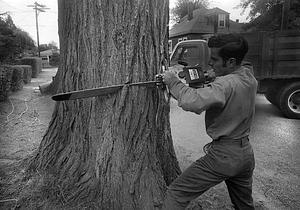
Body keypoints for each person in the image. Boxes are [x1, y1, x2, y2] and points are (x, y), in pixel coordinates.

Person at [162, 33, 258, 210]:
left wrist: (173, 82)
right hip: (245, 155)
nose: (210, 63)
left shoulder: (223, 86)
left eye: (214, 59)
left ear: (230, 62)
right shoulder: (248, 76)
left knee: (176, 193)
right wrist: (213, 77)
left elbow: (193, 101)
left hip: (224, 156)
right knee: (244, 205)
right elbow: (233, 79)